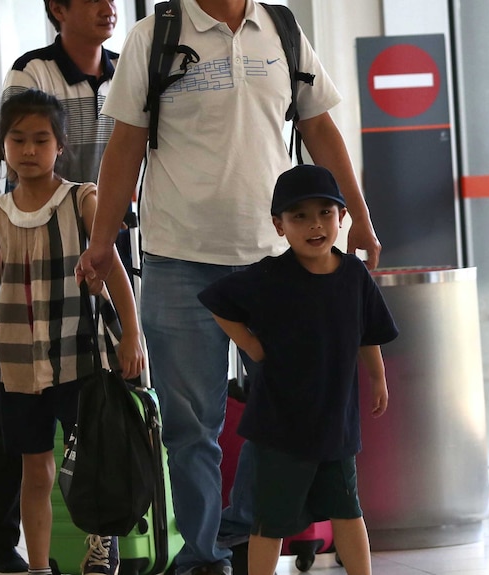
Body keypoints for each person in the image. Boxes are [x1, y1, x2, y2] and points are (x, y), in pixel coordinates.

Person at [76, 2, 382, 574]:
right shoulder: (155, 35)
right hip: (177, 260)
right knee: (192, 427)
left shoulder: (282, 29)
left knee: (291, 413)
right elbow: (125, 145)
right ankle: (205, 554)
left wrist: (358, 216)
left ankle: (246, 527)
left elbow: (318, 127)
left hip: (277, 265)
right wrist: (100, 242)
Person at [0, 89, 144, 575]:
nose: (29, 150)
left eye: (41, 139)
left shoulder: (82, 200)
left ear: (60, 145)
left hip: (78, 360)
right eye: (18, 140)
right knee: (33, 470)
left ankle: (102, 546)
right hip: (17, 369)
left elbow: (115, 269)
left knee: (93, 459)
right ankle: (39, 566)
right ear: (3, 147)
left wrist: (132, 336)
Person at [197, 165, 398, 575]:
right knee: (270, 520)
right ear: (279, 225)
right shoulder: (271, 276)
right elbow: (217, 299)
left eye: (325, 212)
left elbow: (367, 332)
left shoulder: (354, 276)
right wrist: (250, 344)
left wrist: (377, 377)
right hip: (280, 429)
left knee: (347, 510)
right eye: (299, 216)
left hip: (336, 427)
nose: (315, 225)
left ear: (342, 217)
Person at [0, 2, 123, 572]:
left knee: (101, 420)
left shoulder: (124, 72)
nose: (108, 8)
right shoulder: (33, 70)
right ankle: (2, 545)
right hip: (39, 258)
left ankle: (106, 538)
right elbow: (20, 140)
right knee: (20, 445)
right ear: (57, 10)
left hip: (100, 242)